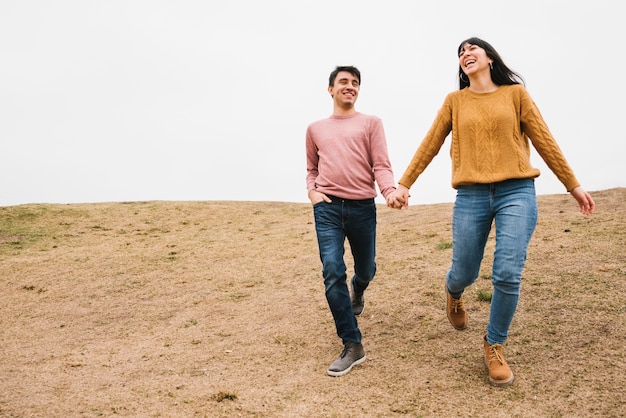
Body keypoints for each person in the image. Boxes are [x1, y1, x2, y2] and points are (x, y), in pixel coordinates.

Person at [388, 37, 595, 386]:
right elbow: (431, 142)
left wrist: (572, 185)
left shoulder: (515, 95)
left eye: (472, 49)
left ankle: (494, 343)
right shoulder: (455, 101)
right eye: (460, 53)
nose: (465, 54)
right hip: (471, 194)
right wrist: (405, 183)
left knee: (508, 272)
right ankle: (454, 293)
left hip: (517, 190)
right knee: (464, 271)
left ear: (489, 58)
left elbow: (544, 140)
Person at [306, 65, 400, 377]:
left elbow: (381, 164)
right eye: (343, 82)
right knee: (332, 272)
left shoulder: (371, 123)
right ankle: (352, 343)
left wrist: (388, 191)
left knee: (367, 268)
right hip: (328, 209)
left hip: (362, 208)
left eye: (355, 83)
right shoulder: (315, 128)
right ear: (330, 89)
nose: (350, 86)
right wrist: (312, 192)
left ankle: (358, 289)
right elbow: (311, 168)